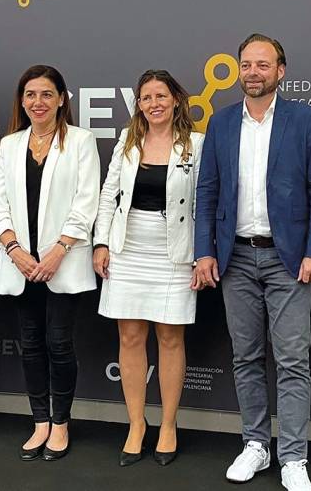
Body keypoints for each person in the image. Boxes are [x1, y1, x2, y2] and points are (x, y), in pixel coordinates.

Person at [194, 33, 311, 491]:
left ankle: (293, 456)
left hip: (288, 260)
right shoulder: (222, 122)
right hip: (235, 259)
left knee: (292, 359)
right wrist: (204, 251)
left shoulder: (305, 120)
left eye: (263, 64)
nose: (253, 72)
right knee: (246, 357)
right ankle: (256, 443)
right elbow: (207, 191)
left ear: (281, 70)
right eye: (246, 65)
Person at [0, 65, 100, 462]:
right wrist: (15, 250)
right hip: (20, 264)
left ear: (62, 99)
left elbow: (88, 203)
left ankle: (61, 422)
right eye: (31, 94)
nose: (39, 102)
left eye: (47, 94)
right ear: (22, 100)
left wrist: (56, 253)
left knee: (58, 342)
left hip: (62, 263)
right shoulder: (10, 145)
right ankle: (39, 421)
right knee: (31, 344)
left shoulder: (82, 141)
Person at [93, 70, 204, 467]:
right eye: (145, 97)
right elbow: (109, 193)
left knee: (171, 338)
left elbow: (202, 205)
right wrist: (101, 242)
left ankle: (169, 425)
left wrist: (200, 253)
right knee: (130, 337)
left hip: (174, 251)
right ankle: (136, 425)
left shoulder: (197, 144)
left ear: (176, 99)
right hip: (128, 247)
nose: (153, 103)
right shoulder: (127, 140)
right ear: (138, 104)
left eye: (161, 95)